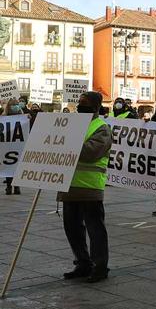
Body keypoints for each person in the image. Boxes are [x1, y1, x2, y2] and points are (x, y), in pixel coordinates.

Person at [58, 91, 112, 283]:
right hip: (69, 184)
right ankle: (82, 263)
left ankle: (100, 267)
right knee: (72, 227)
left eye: (85, 103)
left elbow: (91, 153)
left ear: (96, 107)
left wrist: (65, 142)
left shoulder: (101, 128)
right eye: (79, 102)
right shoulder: (71, 124)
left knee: (95, 229)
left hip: (89, 187)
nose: (80, 105)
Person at [3, 99, 23, 195]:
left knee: (17, 166)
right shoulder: (4, 117)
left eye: (17, 104)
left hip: (18, 145)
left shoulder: (22, 116)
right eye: (13, 105)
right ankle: (9, 186)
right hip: (7, 145)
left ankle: (17, 186)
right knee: (9, 165)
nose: (16, 106)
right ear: (9, 106)